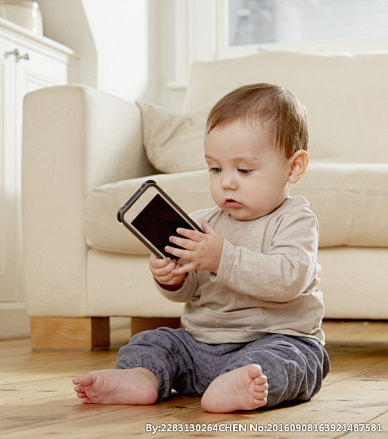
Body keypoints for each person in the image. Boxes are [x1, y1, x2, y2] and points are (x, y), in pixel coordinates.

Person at [72, 83, 330, 413]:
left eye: (244, 170)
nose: (226, 181)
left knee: (296, 361)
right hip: (201, 346)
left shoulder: (295, 220)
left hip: (273, 340)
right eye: (216, 168)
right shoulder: (202, 223)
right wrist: (172, 279)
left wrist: (223, 257)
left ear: (293, 167)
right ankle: (142, 377)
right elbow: (192, 292)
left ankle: (241, 384)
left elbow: (289, 279)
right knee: (155, 341)